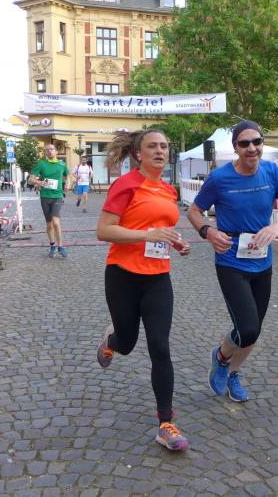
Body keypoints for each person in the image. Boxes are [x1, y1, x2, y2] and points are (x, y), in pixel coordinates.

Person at [188, 120, 278, 402]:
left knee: (253, 331)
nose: (252, 148)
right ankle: (221, 356)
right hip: (230, 260)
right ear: (236, 148)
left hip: (262, 260)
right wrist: (208, 231)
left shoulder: (272, 172)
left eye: (257, 141)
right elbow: (193, 211)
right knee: (248, 328)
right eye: (244, 143)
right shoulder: (219, 178)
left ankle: (232, 373)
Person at [95, 129, 192, 451]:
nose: (160, 151)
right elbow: (104, 231)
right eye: (153, 146)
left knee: (160, 347)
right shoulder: (126, 184)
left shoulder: (169, 190)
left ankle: (166, 423)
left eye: (164, 146)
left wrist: (176, 243)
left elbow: (163, 230)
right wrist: (146, 235)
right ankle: (111, 341)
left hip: (158, 279)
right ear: (139, 153)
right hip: (122, 275)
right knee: (127, 343)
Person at [29, 143, 70, 258]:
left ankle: (60, 246)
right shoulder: (41, 164)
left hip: (57, 196)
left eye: (52, 149)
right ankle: (52, 245)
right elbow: (30, 179)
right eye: (47, 150)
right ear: (45, 153)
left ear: (56, 151)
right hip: (45, 196)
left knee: (56, 222)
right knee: (49, 224)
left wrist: (67, 184)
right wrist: (39, 182)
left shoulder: (62, 164)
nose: (50, 151)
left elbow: (67, 176)